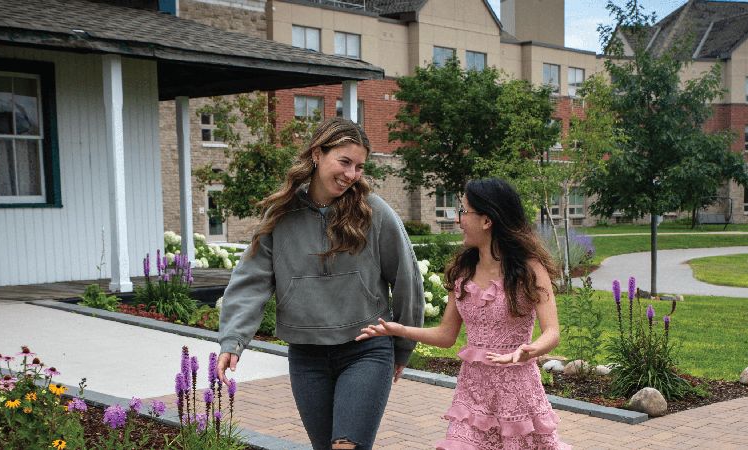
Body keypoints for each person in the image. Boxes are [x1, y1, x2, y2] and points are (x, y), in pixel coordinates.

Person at [215, 117, 423, 450]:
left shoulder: (375, 213)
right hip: (307, 355)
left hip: (366, 349)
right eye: (344, 162)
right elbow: (250, 281)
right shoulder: (280, 215)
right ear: (317, 153)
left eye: (359, 166)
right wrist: (232, 339)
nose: (351, 174)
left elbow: (407, 279)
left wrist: (403, 345)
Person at [356, 178, 570, 450]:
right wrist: (398, 330)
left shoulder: (530, 269)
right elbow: (446, 335)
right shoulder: (463, 272)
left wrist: (531, 349)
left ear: (487, 220)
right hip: (472, 395)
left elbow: (552, 332)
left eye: (465, 212)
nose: (459, 220)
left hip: (518, 395)